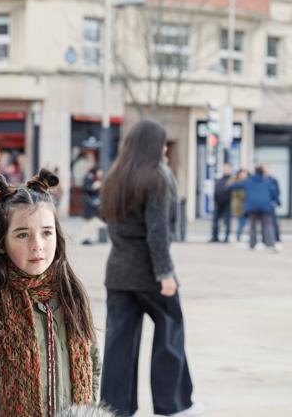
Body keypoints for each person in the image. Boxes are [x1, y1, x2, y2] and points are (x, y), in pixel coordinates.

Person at [0, 170, 100, 416]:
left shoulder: (71, 297)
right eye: (22, 235)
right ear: (2, 244)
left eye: (46, 232)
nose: (37, 245)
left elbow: (93, 368)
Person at [99, 120, 201, 417]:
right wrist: (166, 275)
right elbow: (158, 234)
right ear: (153, 146)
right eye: (163, 142)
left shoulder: (116, 176)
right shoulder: (158, 177)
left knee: (119, 344)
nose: (166, 148)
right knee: (170, 333)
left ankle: (114, 408)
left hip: (117, 272)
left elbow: (106, 219)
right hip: (150, 273)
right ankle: (173, 404)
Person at [228, 166, 277, 251]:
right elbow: (274, 193)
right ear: (262, 173)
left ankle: (252, 244)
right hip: (265, 206)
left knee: (252, 226)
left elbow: (232, 186)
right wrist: (276, 202)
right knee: (267, 225)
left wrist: (232, 181)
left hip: (251, 207)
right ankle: (270, 243)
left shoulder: (248, 181)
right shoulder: (267, 181)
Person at [80, 166, 104, 245]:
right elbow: (85, 188)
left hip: (93, 205)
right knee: (90, 222)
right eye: (99, 171)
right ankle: (85, 238)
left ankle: (88, 238)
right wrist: (94, 186)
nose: (101, 173)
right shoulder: (89, 177)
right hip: (89, 205)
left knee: (93, 222)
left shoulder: (95, 178)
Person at [210, 163, 232, 243]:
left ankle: (226, 238)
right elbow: (216, 191)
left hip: (227, 203)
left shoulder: (232, 180)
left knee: (227, 221)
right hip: (218, 203)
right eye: (224, 169)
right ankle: (214, 237)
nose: (225, 170)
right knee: (215, 221)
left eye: (227, 169)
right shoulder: (219, 179)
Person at [261, 163, 282, 247]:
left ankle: (277, 238)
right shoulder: (259, 179)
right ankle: (265, 239)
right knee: (263, 223)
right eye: (263, 168)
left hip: (270, 204)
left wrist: (274, 201)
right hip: (262, 204)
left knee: (274, 222)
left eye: (266, 168)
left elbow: (277, 191)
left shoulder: (273, 180)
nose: (265, 169)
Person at [229, 168, 248, 243]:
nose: (245, 175)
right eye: (243, 173)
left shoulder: (245, 182)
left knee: (243, 222)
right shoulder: (237, 183)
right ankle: (238, 236)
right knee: (242, 222)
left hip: (244, 205)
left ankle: (238, 236)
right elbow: (241, 195)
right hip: (240, 206)